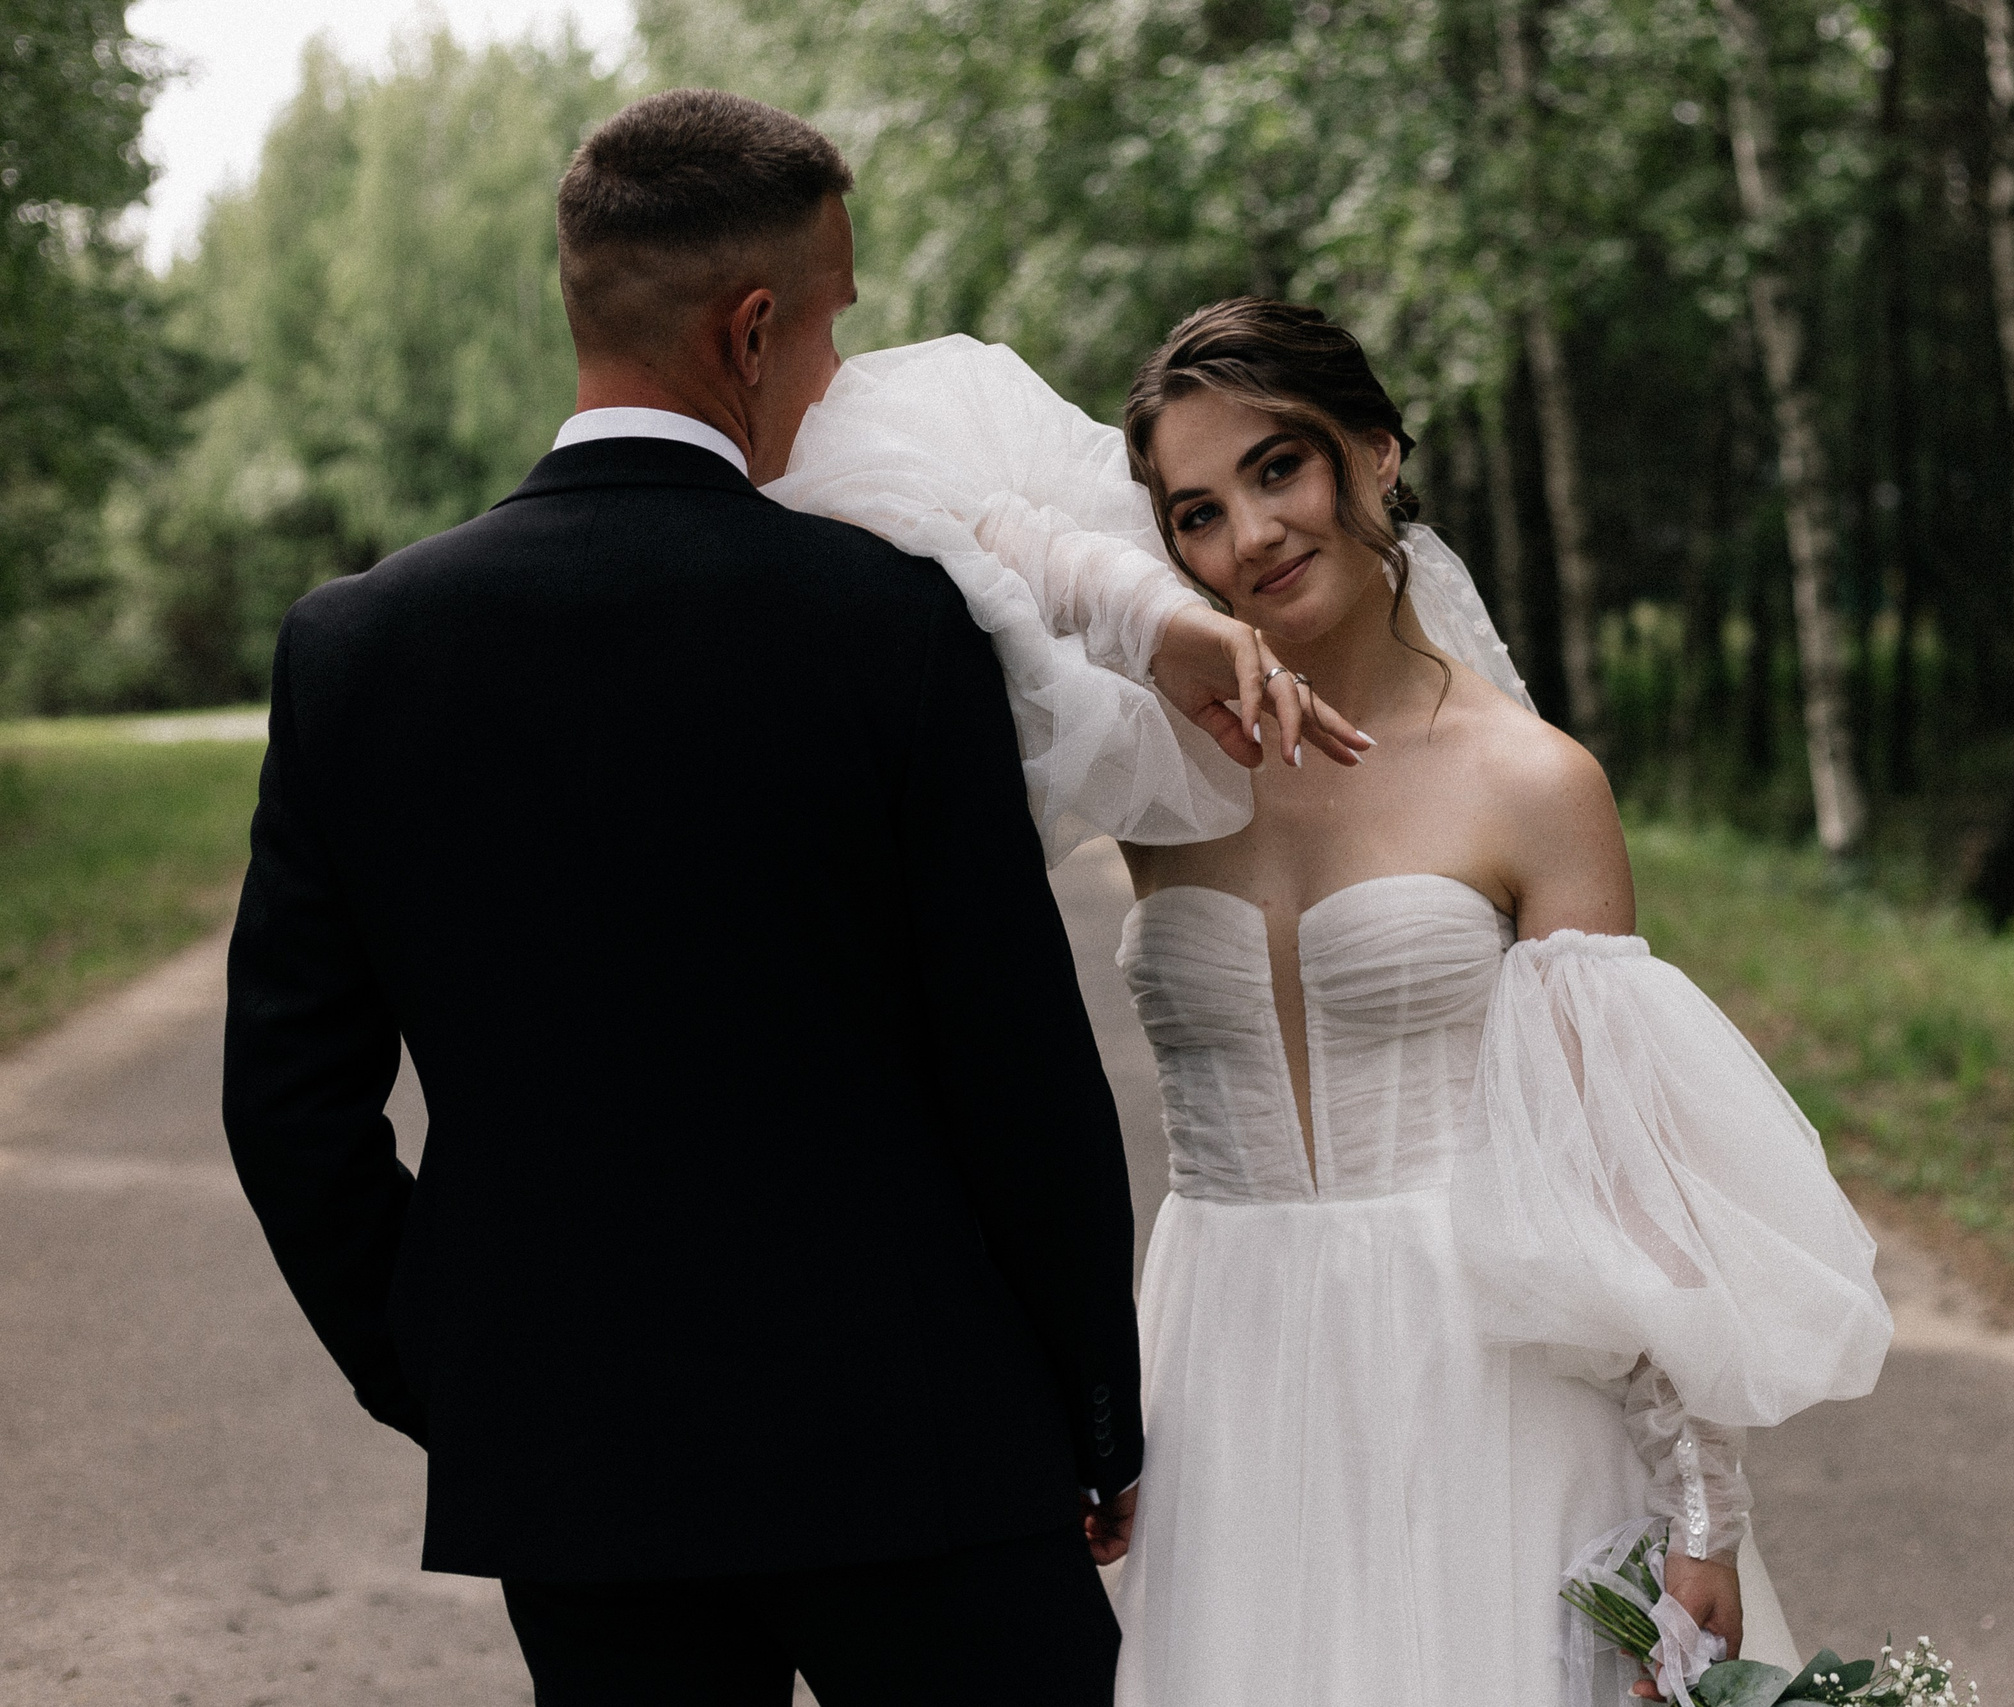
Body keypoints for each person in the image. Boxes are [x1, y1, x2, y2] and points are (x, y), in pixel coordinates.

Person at [219, 91, 1347, 1706]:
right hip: (927, 1449)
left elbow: (287, 1104)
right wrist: (1097, 1405)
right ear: (751, 333)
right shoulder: (891, 622)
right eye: (832, 326)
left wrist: (456, 1374)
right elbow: (1013, 1063)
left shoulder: (356, 649)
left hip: (578, 1468)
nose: (840, 374)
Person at [769, 302, 1896, 1706]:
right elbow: (857, 472)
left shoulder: (1533, 782)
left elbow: (1619, 1167)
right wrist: (1140, 612)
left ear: (1376, 452)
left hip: (1489, 1378)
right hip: (1224, 1372)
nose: (1249, 536)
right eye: (1194, 513)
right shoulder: (1159, 769)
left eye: (1278, 468)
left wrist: (1702, 1509)